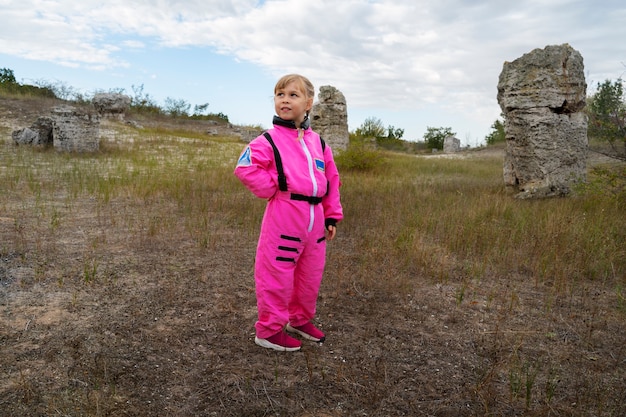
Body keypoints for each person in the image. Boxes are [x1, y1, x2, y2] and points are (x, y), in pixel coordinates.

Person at [234, 74, 343, 352]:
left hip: (315, 220)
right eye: (280, 94)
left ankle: (299, 320)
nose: (285, 99)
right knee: (276, 275)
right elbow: (245, 168)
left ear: (308, 103)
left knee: (310, 276)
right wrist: (273, 187)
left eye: (293, 95)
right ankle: (269, 330)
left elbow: (332, 179)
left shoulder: (318, 143)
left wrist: (331, 215)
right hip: (285, 216)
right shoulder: (268, 140)